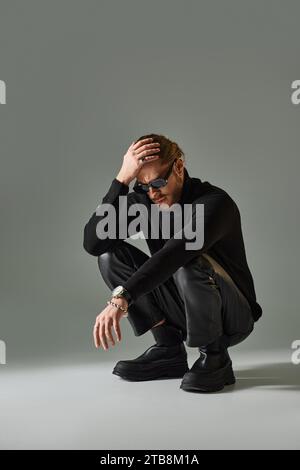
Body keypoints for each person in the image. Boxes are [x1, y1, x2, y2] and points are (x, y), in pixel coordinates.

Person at [83, 134, 262, 393]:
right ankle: (168, 350)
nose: (152, 193)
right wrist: (121, 180)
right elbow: (94, 243)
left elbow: (175, 254)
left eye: (157, 182)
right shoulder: (146, 201)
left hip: (231, 317)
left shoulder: (213, 203)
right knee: (110, 256)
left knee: (188, 262)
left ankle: (215, 357)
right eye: (143, 186)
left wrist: (122, 296)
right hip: (183, 306)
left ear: (178, 166)